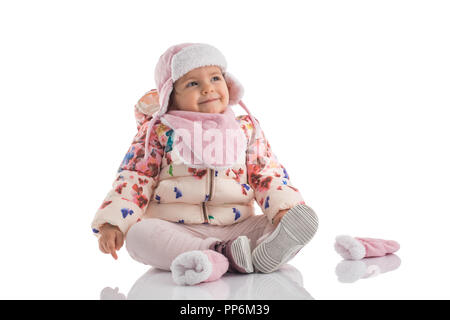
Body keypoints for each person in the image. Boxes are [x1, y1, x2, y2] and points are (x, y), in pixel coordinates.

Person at [91, 43, 318, 283]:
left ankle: (257, 251)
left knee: (281, 227)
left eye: (215, 78)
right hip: (179, 231)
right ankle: (220, 254)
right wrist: (112, 223)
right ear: (171, 95)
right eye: (193, 83)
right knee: (139, 236)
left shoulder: (245, 128)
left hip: (238, 228)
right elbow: (135, 177)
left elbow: (267, 173)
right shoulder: (159, 131)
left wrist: (283, 210)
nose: (208, 89)